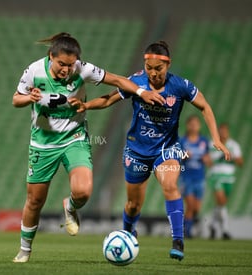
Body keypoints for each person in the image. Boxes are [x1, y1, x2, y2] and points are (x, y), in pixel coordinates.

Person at [11, 32, 164, 263]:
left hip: (75, 137)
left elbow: (119, 80)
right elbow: (16, 100)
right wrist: (30, 98)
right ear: (50, 56)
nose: (66, 69)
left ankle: (70, 206)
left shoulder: (83, 69)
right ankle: (25, 250)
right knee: (34, 201)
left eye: (70, 65)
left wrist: (142, 92)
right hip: (43, 143)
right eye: (62, 64)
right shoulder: (34, 71)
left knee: (83, 191)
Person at [79, 40, 230, 261]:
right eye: (149, 68)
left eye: (158, 69)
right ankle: (128, 231)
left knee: (170, 184)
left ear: (167, 66)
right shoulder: (136, 81)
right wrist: (86, 105)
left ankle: (178, 240)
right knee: (133, 205)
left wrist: (216, 138)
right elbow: (109, 99)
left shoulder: (180, 86)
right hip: (137, 150)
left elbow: (205, 106)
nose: (153, 73)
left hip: (167, 148)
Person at [208, 123, 243, 240]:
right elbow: (208, 161)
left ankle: (212, 225)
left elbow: (240, 162)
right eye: (220, 131)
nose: (223, 133)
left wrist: (232, 157)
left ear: (228, 132)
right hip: (216, 175)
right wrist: (219, 157)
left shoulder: (233, 145)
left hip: (229, 177)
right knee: (221, 200)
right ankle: (225, 230)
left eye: (225, 131)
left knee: (221, 204)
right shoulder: (212, 144)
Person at [179, 115, 211, 238]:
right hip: (186, 178)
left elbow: (209, 160)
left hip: (200, 178)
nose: (193, 126)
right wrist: (184, 155)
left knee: (196, 208)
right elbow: (176, 158)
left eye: (196, 124)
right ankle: (186, 232)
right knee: (190, 205)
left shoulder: (204, 141)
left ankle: (185, 227)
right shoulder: (183, 141)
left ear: (199, 126)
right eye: (191, 124)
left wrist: (206, 159)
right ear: (187, 126)